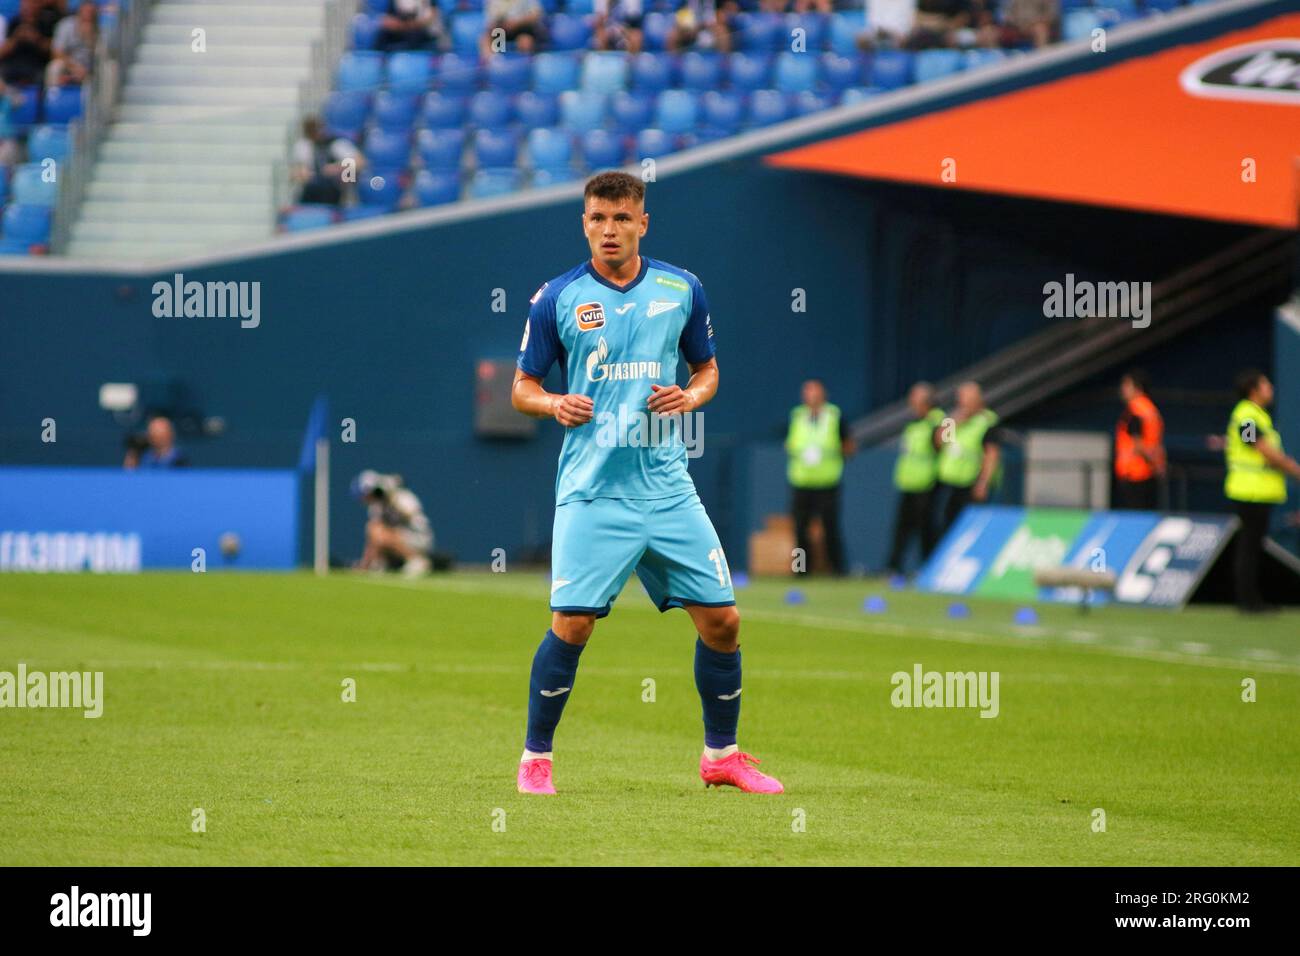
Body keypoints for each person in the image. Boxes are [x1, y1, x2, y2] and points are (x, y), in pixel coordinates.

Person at [510, 170, 783, 796]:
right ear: (584, 222)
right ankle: (536, 759)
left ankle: (722, 756)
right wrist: (553, 404)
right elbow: (521, 388)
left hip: (666, 488)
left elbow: (708, 369)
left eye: (622, 219)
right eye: (598, 219)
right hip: (592, 490)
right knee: (572, 625)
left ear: (642, 223)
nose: (610, 230)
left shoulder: (680, 288)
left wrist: (690, 395)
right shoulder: (556, 297)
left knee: (724, 621)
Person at [1223, 369, 1300, 614]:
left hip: (1258, 491)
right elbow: (1259, 447)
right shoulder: (1246, 414)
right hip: (1249, 491)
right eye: (1266, 385)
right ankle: (1248, 601)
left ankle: (1251, 598)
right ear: (1253, 390)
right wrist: (1293, 469)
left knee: (1253, 545)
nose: (1271, 389)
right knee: (1249, 546)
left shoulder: (1256, 415)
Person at [785, 379, 853, 576]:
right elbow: (790, 444)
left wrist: (830, 453)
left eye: (815, 393)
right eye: (808, 393)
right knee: (800, 530)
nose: (811, 397)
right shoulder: (797, 416)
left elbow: (849, 446)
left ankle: (838, 571)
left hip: (827, 482)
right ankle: (801, 571)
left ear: (823, 395)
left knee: (830, 528)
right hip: (801, 482)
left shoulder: (835, 416)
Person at [886, 381, 944, 577]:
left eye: (915, 398)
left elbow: (948, 447)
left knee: (926, 528)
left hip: (928, 483)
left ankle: (931, 569)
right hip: (908, 481)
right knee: (901, 528)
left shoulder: (943, 420)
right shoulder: (912, 422)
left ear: (926, 401)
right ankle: (893, 568)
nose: (911, 402)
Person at [934, 380, 1002, 535]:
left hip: (971, 482)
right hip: (949, 482)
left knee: (970, 529)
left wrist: (983, 483)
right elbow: (939, 443)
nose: (963, 403)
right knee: (945, 526)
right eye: (961, 399)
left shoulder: (988, 421)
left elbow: (991, 454)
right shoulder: (953, 419)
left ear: (978, 400)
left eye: (967, 399)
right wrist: (954, 423)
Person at [351, 470, 433, 577]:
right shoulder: (377, 507)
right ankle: (378, 564)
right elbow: (373, 538)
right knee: (375, 530)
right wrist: (365, 564)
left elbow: (410, 515)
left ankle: (416, 561)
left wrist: (391, 499)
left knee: (378, 531)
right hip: (401, 538)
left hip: (419, 537)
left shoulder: (401, 496)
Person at [1113, 369, 1165, 511]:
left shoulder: (1135, 410)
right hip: (1149, 473)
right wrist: (1158, 464)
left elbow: (1138, 444)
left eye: (1126, 385)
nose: (1123, 390)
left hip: (1134, 473)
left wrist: (1151, 461)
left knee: (1135, 518)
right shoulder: (1151, 410)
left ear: (1138, 388)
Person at [290, 116, 364, 207]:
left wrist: (336, 168)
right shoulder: (303, 146)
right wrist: (301, 173)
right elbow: (295, 172)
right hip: (311, 191)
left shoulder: (337, 144)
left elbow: (359, 162)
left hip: (336, 190)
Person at [45, 0, 95, 87]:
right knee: (54, 67)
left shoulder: (99, 30)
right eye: (86, 11)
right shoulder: (65, 25)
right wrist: (74, 68)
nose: (88, 15)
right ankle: (53, 96)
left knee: (109, 69)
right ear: (79, 11)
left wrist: (90, 38)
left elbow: (100, 57)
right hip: (69, 66)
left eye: (91, 13)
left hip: (90, 69)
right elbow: (56, 53)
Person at [124, 416, 188, 469]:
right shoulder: (143, 457)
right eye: (152, 433)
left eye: (160, 434)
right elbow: (129, 474)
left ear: (170, 435)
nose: (155, 437)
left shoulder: (180, 460)